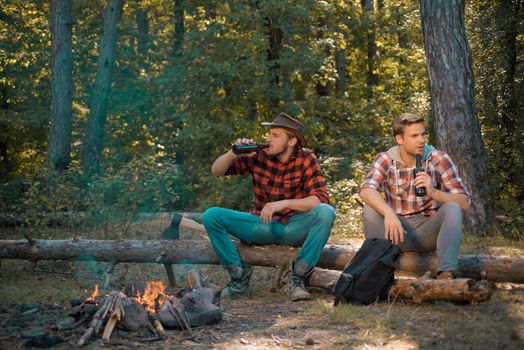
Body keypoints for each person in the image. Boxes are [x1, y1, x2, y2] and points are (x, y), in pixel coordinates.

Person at [202, 112, 336, 301]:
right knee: (211, 215)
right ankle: (238, 278)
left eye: (275, 135)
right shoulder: (258, 155)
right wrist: (234, 152)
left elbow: (320, 199)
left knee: (326, 212)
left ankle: (298, 277)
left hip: (292, 227)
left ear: (291, 141)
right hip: (262, 225)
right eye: (269, 134)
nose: (268, 139)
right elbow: (216, 170)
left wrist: (283, 204)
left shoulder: (306, 158)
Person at [359, 112, 470, 279]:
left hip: (427, 231)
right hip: (396, 232)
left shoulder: (438, 159)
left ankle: (446, 274)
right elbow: (366, 190)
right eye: (414, 136)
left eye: (423, 134)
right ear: (399, 139)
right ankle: (376, 274)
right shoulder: (386, 159)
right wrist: (388, 213)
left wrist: (434, 192)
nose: (421, 140)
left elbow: (464, 203)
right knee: (370, 208)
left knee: (452, 207)